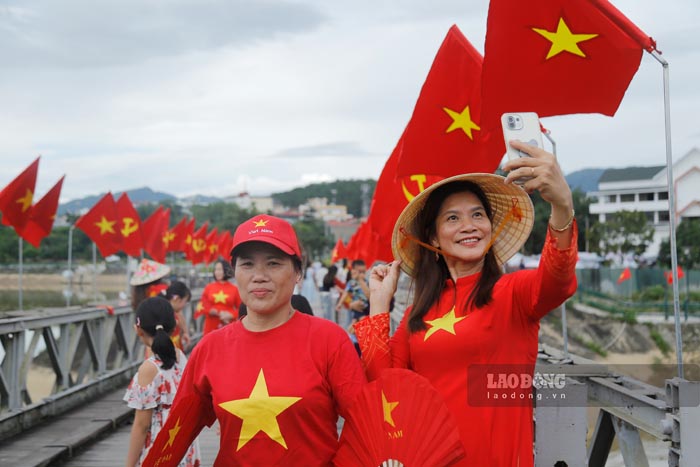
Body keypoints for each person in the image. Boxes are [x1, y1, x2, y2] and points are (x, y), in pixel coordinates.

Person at [355, 141, 578, 467]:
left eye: (477, 215)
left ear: (490, 227)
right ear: (433, 238)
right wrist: (379, 301)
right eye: (453, 218)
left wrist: (562, 206)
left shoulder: (514, 293)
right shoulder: (421, 312)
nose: (469, 226)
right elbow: (383, 384)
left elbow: (557, 278)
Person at [144, 214, 366, 466]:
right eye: (247, 264)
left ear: (297, 273)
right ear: (234, 272)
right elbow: (175, 435)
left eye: (273, 263)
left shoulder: (329, 340)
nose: (259, 276)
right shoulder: (210, 348)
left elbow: (366, 427)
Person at [123, 297, 200, 467]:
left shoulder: (148, 369)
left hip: (160, 449)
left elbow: (142, 426)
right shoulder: (180, 357)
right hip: (182, 445)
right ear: (174, 328)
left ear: (138, 329)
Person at [195, 259, 242, 335]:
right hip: (211, 324)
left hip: (228, 324)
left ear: (226, 270)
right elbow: (202, 304)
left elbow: (241, 309)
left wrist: (231, 314)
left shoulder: (235, 289)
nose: (217, 272)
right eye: (216, 269)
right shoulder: (209, 287)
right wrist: (210, 310)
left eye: (220, 269)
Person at [164, 281, 192, 351]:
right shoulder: (162, 314)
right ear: (178, 299)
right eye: (185, 301)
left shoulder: (174, 311)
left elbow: (180, 314)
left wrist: (185, 332)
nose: (184, 305)